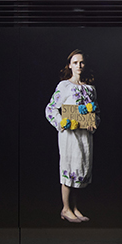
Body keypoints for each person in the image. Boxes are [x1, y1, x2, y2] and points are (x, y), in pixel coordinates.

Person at [45, 49, 99, 223]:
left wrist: (93, 123)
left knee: (80, 169)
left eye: (81, 62)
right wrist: (61, 122)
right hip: (69, 136)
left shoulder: (90, 89)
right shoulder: (64, 86)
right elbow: (50, 108)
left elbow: (96, 113)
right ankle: (65, 208)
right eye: (75, 62)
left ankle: (75, 208)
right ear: (69, 65)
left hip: (84, 136)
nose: (79, 66)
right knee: (69, 168)